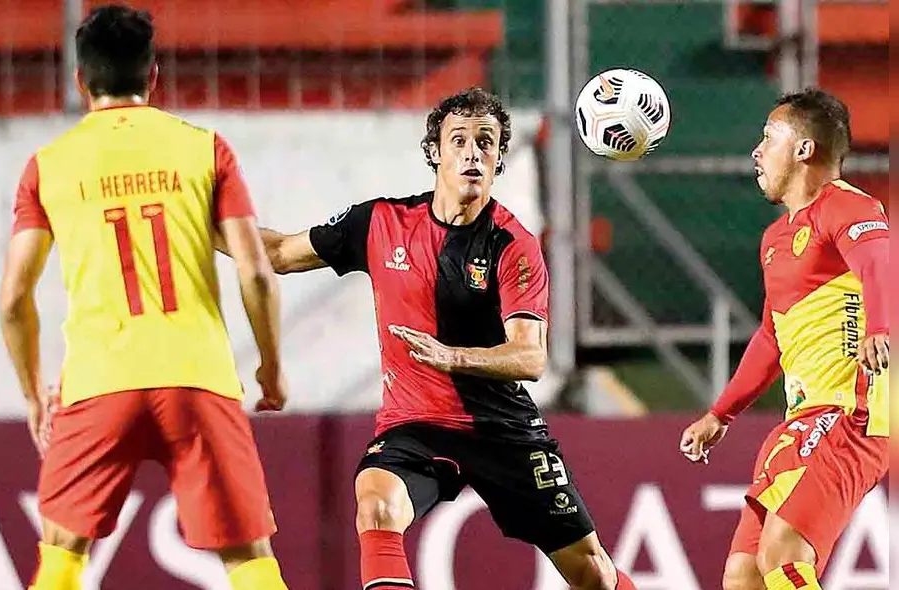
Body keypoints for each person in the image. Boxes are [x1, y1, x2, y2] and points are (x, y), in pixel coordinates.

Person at [247, 88, 637, 590]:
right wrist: (193, 221)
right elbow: (278, 253)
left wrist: (450, 356)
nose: (473, 152)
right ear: (435, 152)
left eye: (486, 142)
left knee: (593, 576)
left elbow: (530, 356)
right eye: (459, 140)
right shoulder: (380, 223)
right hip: (416, 424)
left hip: (501, 429)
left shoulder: (512, 245)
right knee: (377, 499)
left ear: (499, 159)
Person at [0, 5, 290, 589]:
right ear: (153, 75)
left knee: (61, 555)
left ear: (81, 81)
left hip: (98, 380)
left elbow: (12, 300)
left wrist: (34, 394)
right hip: (198, 377)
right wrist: (270, 370)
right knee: (249, 560)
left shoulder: (47, 167)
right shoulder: (205, 149)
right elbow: (256, 270)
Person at [679, 89, 889, 590]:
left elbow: (880, 265)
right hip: (802, 418)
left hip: (848, 412)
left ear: (804, 150)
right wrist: (721, 413)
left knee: (783, 554)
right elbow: (773, 334)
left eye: (769, 137)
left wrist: (878, 328)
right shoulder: (775, 240)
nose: (756, 150)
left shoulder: (846, 206)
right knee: (745, 574)